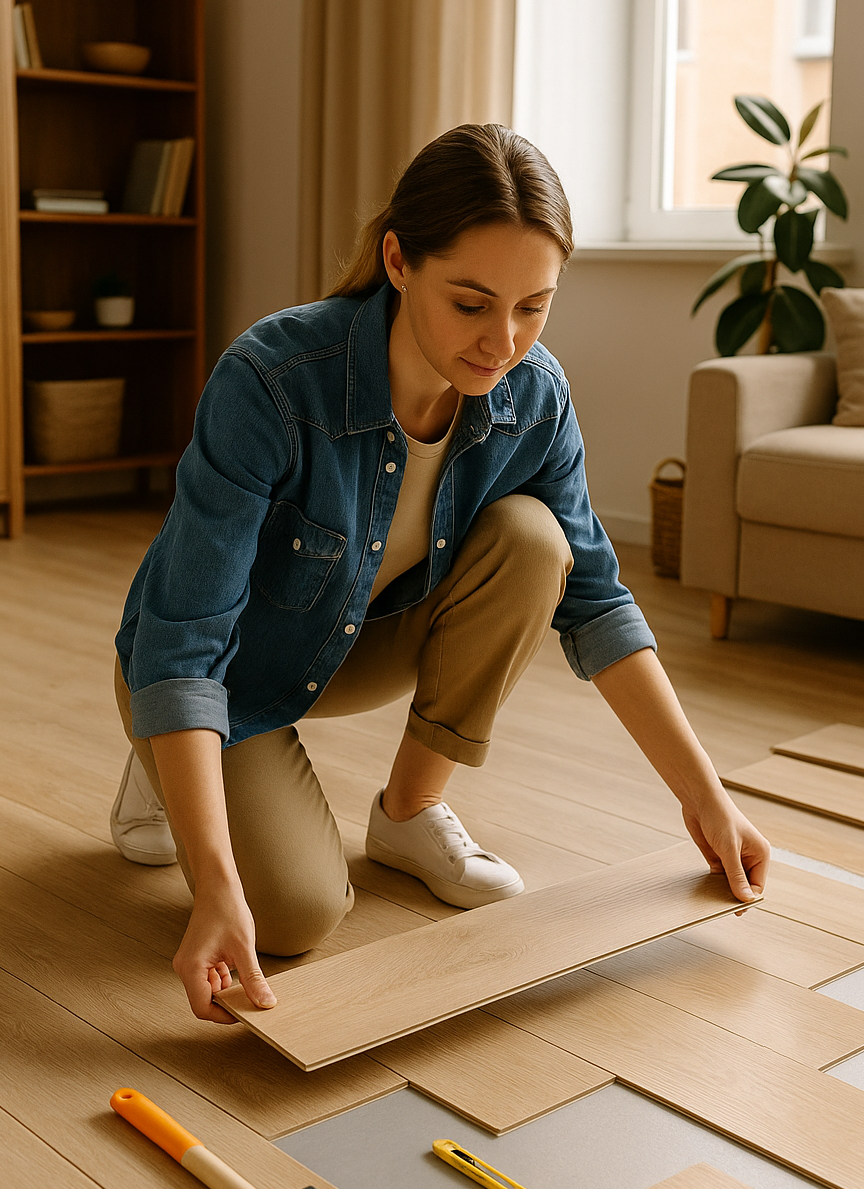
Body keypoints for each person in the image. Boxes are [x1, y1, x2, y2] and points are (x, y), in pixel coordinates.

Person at [112, 122, 770, 1026]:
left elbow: (598, 604)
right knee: (294, 917)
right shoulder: (271, 381)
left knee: (539, 541)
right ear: (398, 260)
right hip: (214, 673)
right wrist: (218, 887)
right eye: (471, 303)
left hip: (359, 641)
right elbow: (184, 639)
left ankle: (409, 815)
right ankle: (163, 760)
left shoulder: (535, 396)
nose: (503, 341)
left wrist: (709, 802)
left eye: (533, 307)